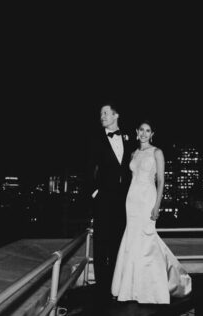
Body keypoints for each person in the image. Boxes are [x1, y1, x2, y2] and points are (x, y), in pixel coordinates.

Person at [111, 120, 192, 304]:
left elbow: (161, 181)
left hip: (147, 198)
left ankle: (153, 288)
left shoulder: (157, 152)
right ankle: (130, 289)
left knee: (148, 238)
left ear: (152, 134)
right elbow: (131, 178)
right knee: (132, 239)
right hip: (131, 200)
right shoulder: (133, 153)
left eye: (148, 131)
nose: (144, 133)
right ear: (137, 132)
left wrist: (157, 206)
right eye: (142, 130)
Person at [87, 103, 132, 304]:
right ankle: (101, 286)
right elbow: (87, 166)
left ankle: (115, 285)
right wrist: (95, 192)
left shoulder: (127, 138)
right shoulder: (95, 139)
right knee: (101, 243)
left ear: (116, 115)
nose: (102, 116)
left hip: (123, 200)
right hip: (104, 198)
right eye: (101, 114)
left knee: (117, 241)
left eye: (105, 113)